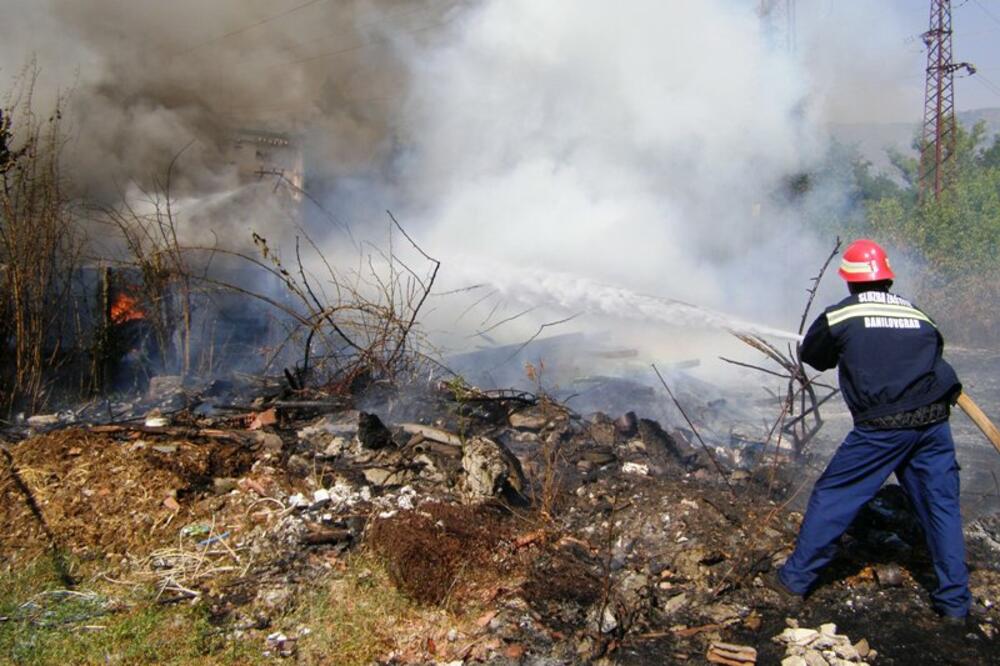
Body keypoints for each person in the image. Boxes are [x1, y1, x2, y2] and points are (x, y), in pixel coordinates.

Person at [772, 238, 971, 622]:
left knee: (834, 495)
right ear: (886, 278)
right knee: (941, 507)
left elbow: (814, 357)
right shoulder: (919, 314)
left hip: (883, 427)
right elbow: (934, 355)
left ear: (850, 280)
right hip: (933, 423)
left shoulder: (841, 316)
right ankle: (955, 605)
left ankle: (794, 581)